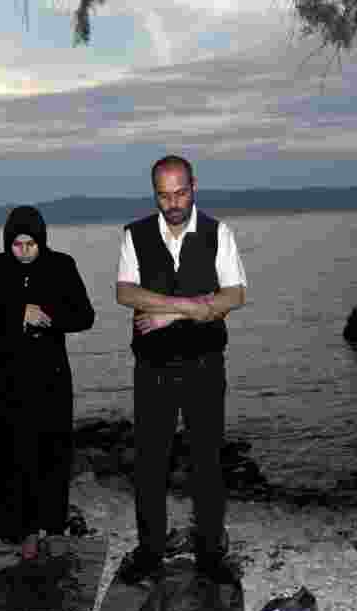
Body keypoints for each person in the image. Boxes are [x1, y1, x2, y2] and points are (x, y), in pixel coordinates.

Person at [115, 155, 248, 585]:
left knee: (207, 463)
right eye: (164, 195)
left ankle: (210, 554)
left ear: (194, 186)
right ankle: (150, 551)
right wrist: (193, 306)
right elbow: (124, 292)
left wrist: (171, 316)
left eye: (181, 192)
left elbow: (234, 296)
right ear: (154, 192)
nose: (173, 203)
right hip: (151, 368)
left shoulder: (217, 233)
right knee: (150, 464)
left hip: (205, 366)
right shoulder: (134, 235)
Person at [0, 205, 95, 555]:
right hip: (5, 378)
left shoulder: (62, 266)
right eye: (17, 245)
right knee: (9, 454)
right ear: (8, 242)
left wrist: (49, 318)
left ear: (42, 241)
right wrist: (18, 313)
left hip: (49, 377)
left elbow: (85, 316)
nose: (24, 251)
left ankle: (49, 524)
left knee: (50, 453)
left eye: (30, 245)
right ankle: (15, 528)